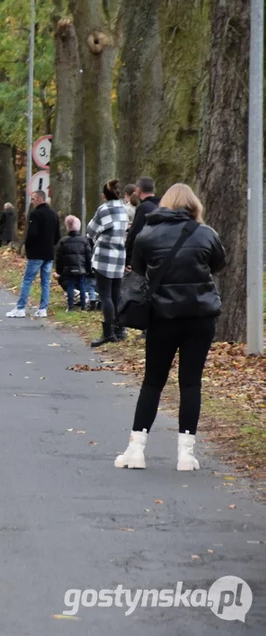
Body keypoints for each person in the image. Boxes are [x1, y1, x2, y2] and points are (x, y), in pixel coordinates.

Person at [114, 184, 226, 471]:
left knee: (153, 382)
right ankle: (186, 455)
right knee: (190, 383)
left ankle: (136, 450)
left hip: (162, 317)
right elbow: (218, 264)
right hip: (200, 317)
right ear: (194, 206)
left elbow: (138, 271)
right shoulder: (206, 234)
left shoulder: (147, 234)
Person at [87, 179, 130, 347]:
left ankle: (108, 332)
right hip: (119, 255)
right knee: (116, 294)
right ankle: (120, 329)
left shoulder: (104, 209)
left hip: (104, 255)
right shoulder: (123, 209)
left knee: (105, 296)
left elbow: (91, 231)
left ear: (105, 194)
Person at [6, 190, 60, 318]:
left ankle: (20, 308)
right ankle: (43, 308)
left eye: (34, 199)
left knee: (27, 280)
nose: (32, 201)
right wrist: (50, 244)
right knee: (45, 282)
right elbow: (58, 236)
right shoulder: (53, 214)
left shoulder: (36, 214)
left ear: (40, 199)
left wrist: (28, 247)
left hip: (36, 253)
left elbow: (32, 234)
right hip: (48, 253)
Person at [55, 215, 91, 310]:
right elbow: (88, 256)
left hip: (68, 269)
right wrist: (88, 268)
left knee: (70, 285)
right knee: (82, 285)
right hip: (81, 267)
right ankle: (83, 305)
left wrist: (59, 270)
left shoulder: (63, 241)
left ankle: (70, 305)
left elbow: (59, 257)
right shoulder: (84, 241)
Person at [125, 176, 160, 265]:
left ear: (138, 190)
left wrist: (128, 259)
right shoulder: (161, 205)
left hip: (142, 258)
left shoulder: (143, 207)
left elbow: (135, 234)